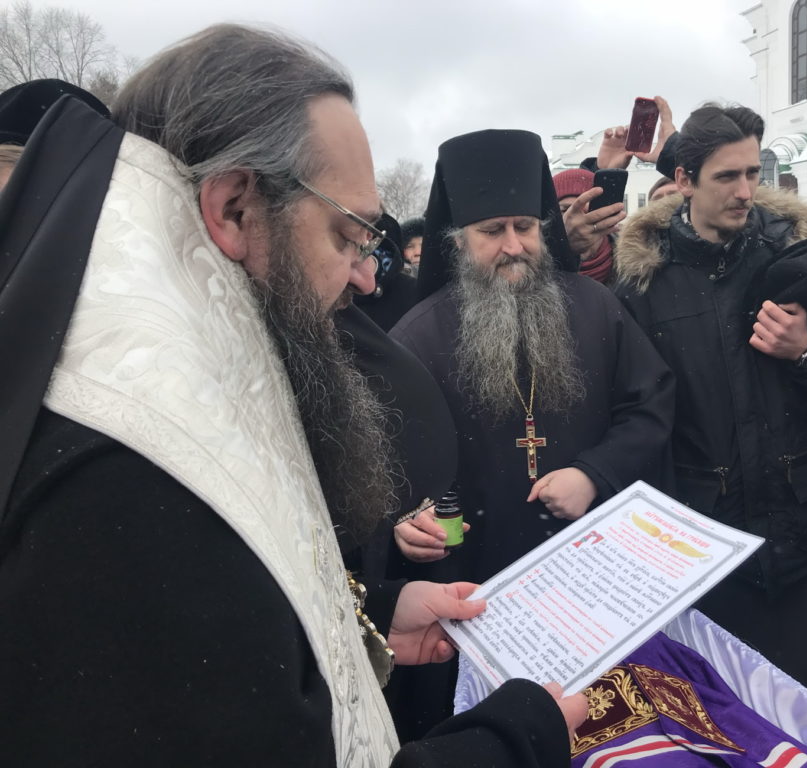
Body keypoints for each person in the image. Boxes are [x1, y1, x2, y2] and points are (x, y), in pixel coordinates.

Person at [0, 27, 584, 767]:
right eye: (347, 235)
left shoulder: (189, 371)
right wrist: (516, 741)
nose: (366, 277)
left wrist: (369, 617)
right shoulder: (139, 470)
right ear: (234, 209)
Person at [386, 128, 674, 736]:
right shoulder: (415, 339)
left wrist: (595, 473)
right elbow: (386, 471)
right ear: (457, 241)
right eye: (492, 231)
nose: (514, 246)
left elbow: (650, 406)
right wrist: (405, 524)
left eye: (525, 226)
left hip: (591, 588)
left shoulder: (596, 308)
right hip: (473, 592)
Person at [614, 102, 807, 710]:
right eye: (727, 176)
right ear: (683, 180)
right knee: (730, 724)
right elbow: (641, 414)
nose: (746, 191)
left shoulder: (803, 259)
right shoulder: (645, 284)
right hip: (709, 549)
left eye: (753, 172)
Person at [552, 167, 619, 284]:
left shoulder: (636, 269)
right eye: (565, 210)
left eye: (588, 211)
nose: (579, 222)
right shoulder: (533, 269)